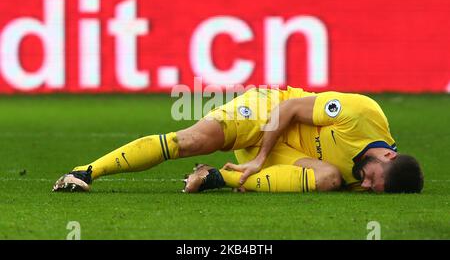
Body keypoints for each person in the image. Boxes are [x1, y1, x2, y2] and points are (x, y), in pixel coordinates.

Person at [52, 87, 424, 194]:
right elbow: (292, 107)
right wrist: (261, 158)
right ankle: (85, 172)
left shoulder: (370, 179)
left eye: (372, 188)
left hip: (287, 157)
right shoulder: (363, 114)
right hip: (269, 112)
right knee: (190, 141)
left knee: (329, 179)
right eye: (374, 178)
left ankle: (214, 178)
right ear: (390, 157)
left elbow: (336, 179)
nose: (366, 182)